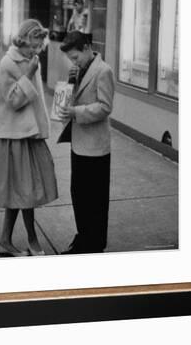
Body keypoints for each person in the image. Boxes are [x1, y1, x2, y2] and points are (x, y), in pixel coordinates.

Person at [0, 19, 58, 257]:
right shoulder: (8, 63)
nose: (37, 49)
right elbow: (13, 101)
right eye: (33, 43)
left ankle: (5, 241)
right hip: (12, 137)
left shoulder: (30, 60)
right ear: (23, 39)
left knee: (22, 192)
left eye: (40, 44)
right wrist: (30, 74)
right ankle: (32, 241)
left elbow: (35, 102)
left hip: (29, 135)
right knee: (25, 192)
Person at [57, 31, 115, 254]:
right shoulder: (80, 70)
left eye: (75, 57)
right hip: (79, 144)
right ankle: (83, 236)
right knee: (78, 194)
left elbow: (105, 106)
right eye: (71, 59)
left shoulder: (103, 71)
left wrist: (76, 111)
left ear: (87, 47)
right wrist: (71, 82)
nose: (74, 62)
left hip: (96, 147)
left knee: (96, 200)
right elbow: (72, 99)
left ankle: (95, 243)